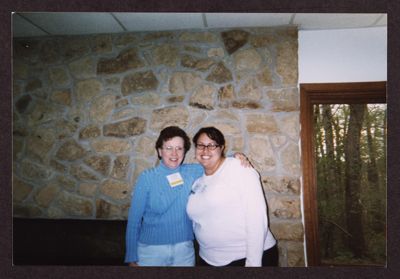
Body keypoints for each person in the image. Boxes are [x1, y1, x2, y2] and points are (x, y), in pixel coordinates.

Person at [125, 126, 249, 267]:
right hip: (150, 252)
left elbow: (214, 161)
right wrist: (131, 256)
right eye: (168, 148)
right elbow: (134, 221)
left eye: (179, 148)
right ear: (160, 151)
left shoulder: (192, 172)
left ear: (184, 151)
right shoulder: (147, 178)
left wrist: (235, 157)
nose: (174, 153)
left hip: (184, 252)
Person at [186, 126, 278, 267]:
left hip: (245, 257)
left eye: (212, 145)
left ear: (222, 148)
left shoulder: (239, 169)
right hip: (208, 259)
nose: (205, 150)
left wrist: (253, 264)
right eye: (201, 145)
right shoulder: (197, 181)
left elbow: (257, 219)